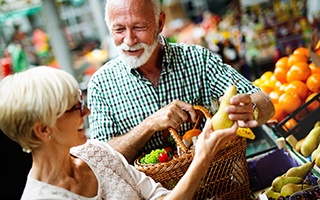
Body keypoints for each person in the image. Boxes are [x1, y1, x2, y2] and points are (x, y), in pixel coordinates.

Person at [0, 66, 239, 199]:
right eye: (76, 107)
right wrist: (202, 157)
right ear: (43, 130)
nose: (87, 111)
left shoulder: (97, 153)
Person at [87, 0, 275, 163]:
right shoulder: (101, 85)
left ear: (160, 23)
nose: (129, 40)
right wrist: (149, 125)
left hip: (219, 183)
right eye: (119, 29)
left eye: (139, 27)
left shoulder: (197, 59)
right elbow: (103, 160)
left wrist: (252, 109)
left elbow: (265, 103)